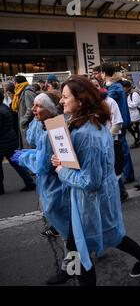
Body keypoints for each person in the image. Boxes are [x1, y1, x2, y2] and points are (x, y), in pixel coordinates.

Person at [51, 76, 140, 286]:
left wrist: (62, 169)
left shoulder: (87, 134)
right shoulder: (85, 122)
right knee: (79, 240)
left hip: (91, 199)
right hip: (87, 198)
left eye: (64, 97)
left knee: (86, 243)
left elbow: (90, 181)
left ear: (80, 101)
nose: (60, 101)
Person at [14, 91, 72, 284]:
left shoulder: (54, 129)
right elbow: (35, 143)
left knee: (69, 236)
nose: (33, 109)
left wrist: (24, 157)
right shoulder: (47, 125)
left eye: (38, 106)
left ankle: (71, 269)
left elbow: (43, 166)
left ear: (50, 109)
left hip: (58, 190)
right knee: (71, 234)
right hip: (55, 188)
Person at [101, 63, 135, 183]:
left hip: (117, 123)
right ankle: (128, 174)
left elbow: (106, 101)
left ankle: (127, 175)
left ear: (104, 73)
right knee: (122, 149)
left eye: (101, 72)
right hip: (119, 121)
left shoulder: (114, 87)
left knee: (121, 150)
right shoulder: (115, 85)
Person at [0, 89, 36, 195]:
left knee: (15, 163)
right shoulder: (5, 108)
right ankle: (29, 182)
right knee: (17, 163)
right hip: (11, 139)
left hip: (3, 141)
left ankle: (0, 189)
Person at [12, 75, 38, 149]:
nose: (14, 85)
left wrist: (23, 121)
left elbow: (31, 109)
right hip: (26, 125)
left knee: (29, 146)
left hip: (28, 125)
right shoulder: (22, 91)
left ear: (17, 83)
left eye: (14, 83)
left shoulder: (27, 92)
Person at [123, 80, 140, 148]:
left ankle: (137, 140)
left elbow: (135, 104)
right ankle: (137, 139)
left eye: (124, 87)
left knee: (135, 128)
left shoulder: (134, 93)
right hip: (131, 114)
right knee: (131, 127)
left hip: (134, 114)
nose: (123, 89)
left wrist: (126, 104)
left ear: (127, 87)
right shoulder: (129, 93)